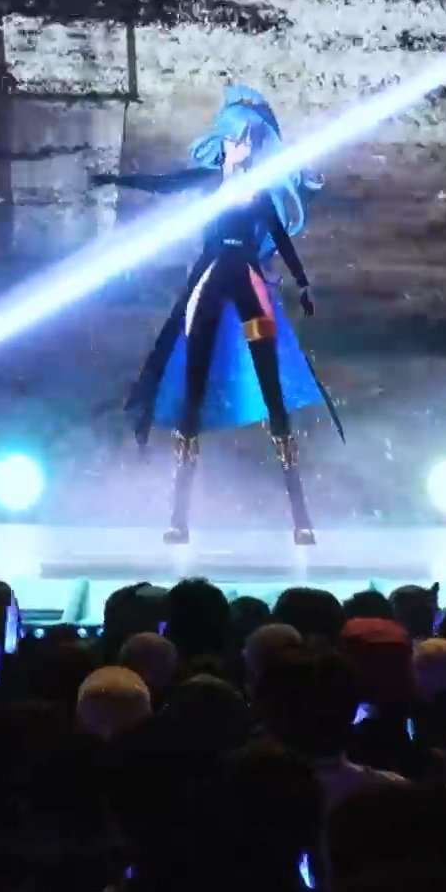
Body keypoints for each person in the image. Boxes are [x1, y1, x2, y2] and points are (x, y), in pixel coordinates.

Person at [93, 83, 341, 545]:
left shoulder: (260, 194)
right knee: (193, 390)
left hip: (249, 287)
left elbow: (281, 241)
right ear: (224, 141)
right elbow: (165, 184)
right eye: (233, 138)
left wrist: (303, 284)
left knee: (272, 392)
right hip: (208, 284)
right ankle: (178, 519)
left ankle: (301, 519)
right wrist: (115, 181)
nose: (239, 146)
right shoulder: (208, 183)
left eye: (246, 140)